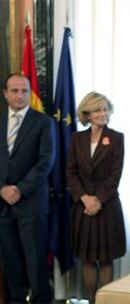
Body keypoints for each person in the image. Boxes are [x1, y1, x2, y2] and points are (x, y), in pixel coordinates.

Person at [0, 73, 55, 303]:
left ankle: (42, 300)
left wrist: (19, 189)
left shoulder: (43, 122)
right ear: (5, 94)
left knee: (36, 262)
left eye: (24, 91)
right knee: (11, 262)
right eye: (14, 91)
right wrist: (2, 188)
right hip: (3, 205)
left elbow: (45, 162)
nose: (20, 95)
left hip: (31, 204)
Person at [66, 92, 126, 301]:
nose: (102, 113)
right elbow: (71, 172)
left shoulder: (117, 138)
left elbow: (114, 176)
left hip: (106, 207)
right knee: (88, 259)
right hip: (83, 208)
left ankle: (104, 301)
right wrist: (84, 198)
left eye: (105, 109)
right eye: (97, 110)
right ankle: (91, 300)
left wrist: (97, 200)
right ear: (87, 114)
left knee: (106, 259)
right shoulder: (77, 138)